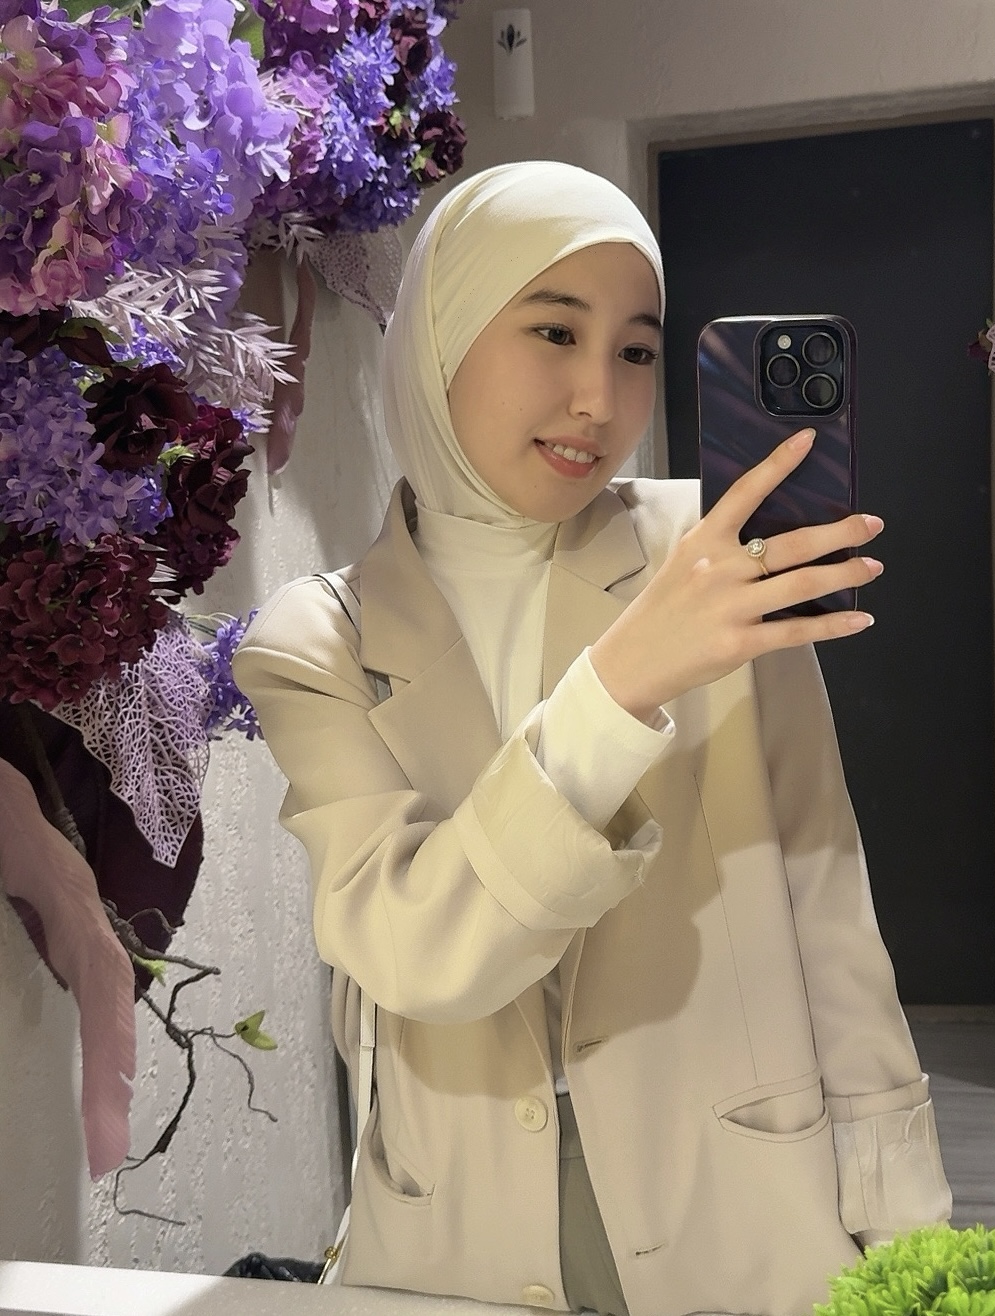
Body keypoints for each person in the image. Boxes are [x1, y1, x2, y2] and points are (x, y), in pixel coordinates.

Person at [232, 161, 951, 1316]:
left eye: (635, 349)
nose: (598, 399)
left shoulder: (710, 559)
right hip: (458, 1228)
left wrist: (905, 1228)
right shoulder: (317, 637)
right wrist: (620, 685)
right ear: (440, 334)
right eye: (555, 331)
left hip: (742, 1198)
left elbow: (824, 894)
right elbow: (414, 952)